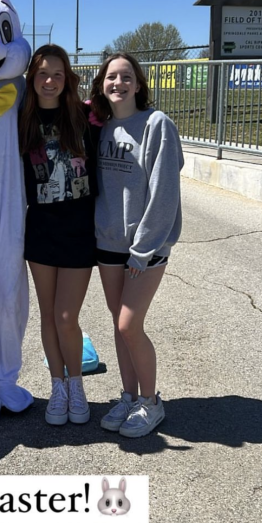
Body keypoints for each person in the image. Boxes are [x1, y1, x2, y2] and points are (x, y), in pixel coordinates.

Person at [90, 51, 184, 437]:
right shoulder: (100, 128)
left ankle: (151, 401)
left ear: (139, 84)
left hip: (145, 247)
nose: (119, 83)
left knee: (130, 324)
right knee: (118, 324)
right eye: (111, 77)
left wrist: (143, 248)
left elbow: (164, 191)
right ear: (101, 85)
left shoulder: (156, 124)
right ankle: (128, 397)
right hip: (107, 242)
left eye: (126, 76)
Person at [19, 44, 99, 426]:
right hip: (41, 231)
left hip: (80, 231)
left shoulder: (85, 118)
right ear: (31, 79)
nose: (49, 81)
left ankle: (77, 384)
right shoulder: (21, 121)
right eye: (42, 74)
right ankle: (58, 386)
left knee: (67, 316)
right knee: (48, 315)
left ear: (67, 78)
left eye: (57, 74)